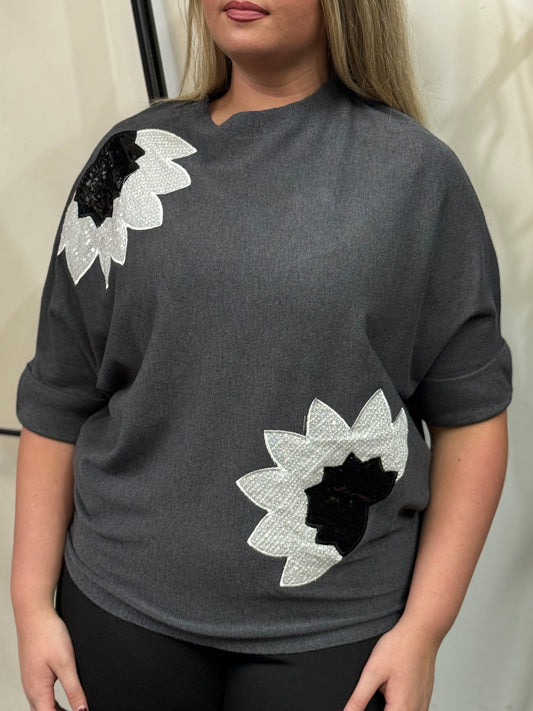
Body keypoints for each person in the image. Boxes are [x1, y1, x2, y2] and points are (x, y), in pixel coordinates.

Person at [11, 0, 512, 710]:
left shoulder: (417, 177)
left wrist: (425, 630)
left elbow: (470, 416)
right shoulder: (129, 161)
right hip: (120, 605)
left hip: (336, 628)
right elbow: (60, 391)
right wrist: (30, 601)